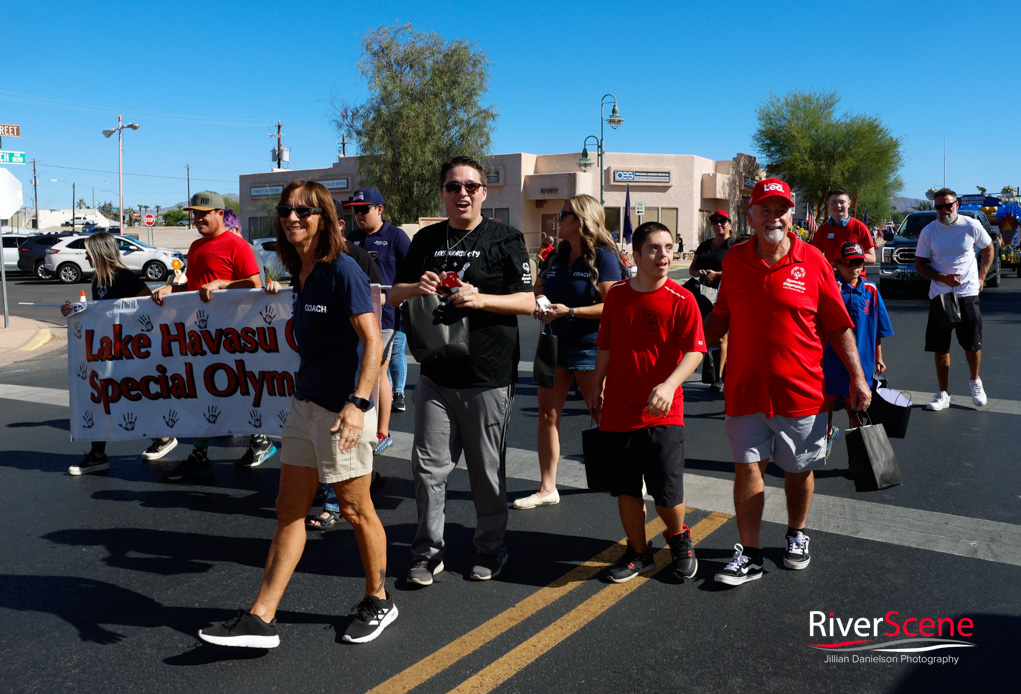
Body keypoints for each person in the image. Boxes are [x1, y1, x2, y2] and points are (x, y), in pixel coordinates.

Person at [198, 180, 394, 648]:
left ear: (324, 217)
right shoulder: (301, 273)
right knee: (289, 510)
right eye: (286, 210)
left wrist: (358, 404)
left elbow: (373, 341)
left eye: (304, 211)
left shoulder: (341, 270)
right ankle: (261, 618)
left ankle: (379, 599)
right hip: (304, 405)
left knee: (353, 508)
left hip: (340, 410)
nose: (292, 218)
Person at [703, 178, 870, 587]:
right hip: (744, 389)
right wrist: (684, 356)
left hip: (801, 392)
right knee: (747, 470)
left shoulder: (813, 260)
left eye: (780, 210)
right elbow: (720, 317)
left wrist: (858, 377)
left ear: (791, 214)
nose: (773, 217)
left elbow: (838, 325)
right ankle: (750, 553)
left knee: (798, 470)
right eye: (765, 209)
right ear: (752, 215)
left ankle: (796, 533)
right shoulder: (735, 261)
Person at [388, 155, 534, 584]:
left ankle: (491, 548)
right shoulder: (426, 240)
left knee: (486, 473)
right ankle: (427, 554)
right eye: (453, 186)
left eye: (471, 186)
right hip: (435, 374)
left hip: (488, 376)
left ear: (484, 193)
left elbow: (528, 302)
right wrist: (419, 286)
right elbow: (394, 295)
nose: (462, 193)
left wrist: (481, 298)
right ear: (443, 193)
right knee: (428, 470)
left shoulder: (505, 238)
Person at [588, 222, 706, 582]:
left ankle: (678, 536)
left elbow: (695, 351)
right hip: (618, 410)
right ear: (635, 255)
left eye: (669, 247)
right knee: (625, 488)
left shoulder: (682, 299)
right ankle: (639, 552)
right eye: (654, 248)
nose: (664, 255)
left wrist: (670, 385)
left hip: (662, 412)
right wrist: (596, 385)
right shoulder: (618, 296)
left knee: (667, 494)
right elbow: (605, 344)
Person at [151, 191, 274, 480]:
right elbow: (196, 288)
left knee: (234, 389)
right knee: (203, 392)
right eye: (194, 214)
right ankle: (210, 453)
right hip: (200, 334)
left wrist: (224, 283)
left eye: (203, 213)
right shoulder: (195, 247)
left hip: (233, 334)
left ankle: (258, 441)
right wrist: (172, 290)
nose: (197, 219)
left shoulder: (237, 245)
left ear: (220, 213)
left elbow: (255, 284)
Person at [516, 194, 623, 510]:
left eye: (563, 215)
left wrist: (572, 312)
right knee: (547, 415)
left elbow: (613, 306)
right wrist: (541, 305)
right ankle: (547, 488)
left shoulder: (604, 258)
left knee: (604, 414)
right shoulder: (555, 257)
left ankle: (629, 473)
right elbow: (538, 291)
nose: (558, 220)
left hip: (591, 348)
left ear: (581, 219)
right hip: (553, 345)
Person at [61, 233, 177, 474]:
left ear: (100, 253)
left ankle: (162, 438)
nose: (85, 256)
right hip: (107, 350)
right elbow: (100, 314)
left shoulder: (124, 277)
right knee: (106, 397)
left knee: (130, 394)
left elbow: (147, 305)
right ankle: (100, 454)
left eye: (88, 252)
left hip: (129, 350)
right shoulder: (97, 281)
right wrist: (75, 311)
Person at [344, 187, 411, 454]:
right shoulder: (351, 238)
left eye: (365, 210)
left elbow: (412, 273)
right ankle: (365, 423)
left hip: (386, 316)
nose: (359, 215)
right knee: (359, 369)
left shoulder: (396, 237)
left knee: (378, 368)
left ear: (380, 209)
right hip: (354, 314)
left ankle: (382, 431)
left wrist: (393, 296)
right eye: (355, 211)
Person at [914, 188, 994, 410]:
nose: (943, 210)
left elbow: (988, 249)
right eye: (939, 207)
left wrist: (981, 278)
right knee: (940, 347)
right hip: (940, 295)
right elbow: (920, 264)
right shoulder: (929, 231)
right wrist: (941, 277)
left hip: (968, 293)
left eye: (948, 205)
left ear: (956, 204)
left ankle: (975, 381)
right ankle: (943, 394)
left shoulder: (971, 225)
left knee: (972, 344)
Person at [822, 242, 894, 455]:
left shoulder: (870, 290)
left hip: (861, 361)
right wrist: (832, 295)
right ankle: (826, 434)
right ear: (837, 265)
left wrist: (879, 357)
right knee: (826, 402)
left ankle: (858, 457)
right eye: (849, 263)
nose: (855, 267)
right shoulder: (831, 289)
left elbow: (878, 328)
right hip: (831, 359)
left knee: (855, 408)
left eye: (859, 262)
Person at [689, 209, 737, 392]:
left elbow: (740, 270)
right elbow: (692, 269)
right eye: (715, 222)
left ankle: (719, 378)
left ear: (729, 224)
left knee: (721, 335)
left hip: (724, 293)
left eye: (722, 221)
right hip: (703, 294)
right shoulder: (705, 246)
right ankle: (713, 372)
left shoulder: (734, 245)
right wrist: (699, 273)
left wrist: (717, 275)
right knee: (707, 333)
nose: (718, 225)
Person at [810, 188, 877, 274]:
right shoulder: (823, 229)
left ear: (849, 203)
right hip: (831, 279)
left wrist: (846, 262)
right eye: (834, 202)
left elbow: (872, 258)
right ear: (828, 204)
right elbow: (814, 255)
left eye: (842, 202)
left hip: (854, 282)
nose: (838, 206)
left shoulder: (860, 227)